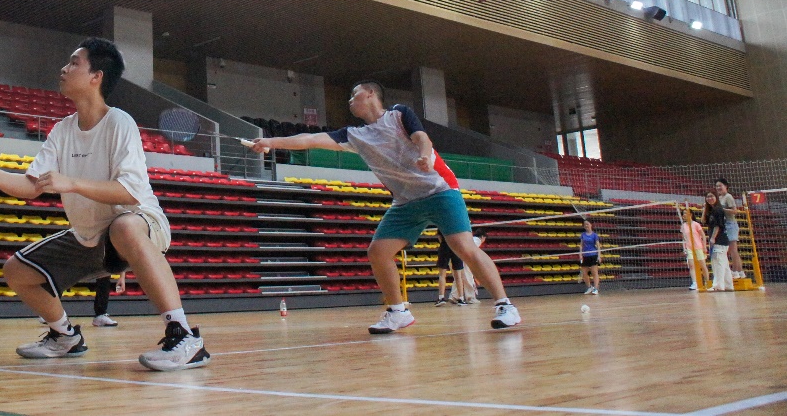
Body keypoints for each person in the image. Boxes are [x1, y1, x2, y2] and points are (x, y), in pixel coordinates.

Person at [0, 38, 210, 371]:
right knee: (16, 271)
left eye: (74, 63)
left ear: (96, 76)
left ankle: (184, 336)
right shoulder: (62, 130)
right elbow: (32, 186)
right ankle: (64, 336)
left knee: (124, 226)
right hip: (89, 236)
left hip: (141, 222)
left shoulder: (119, 123)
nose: (64, 69)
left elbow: (130, 192)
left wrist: (73, 183)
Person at [248, 80, 521, 333]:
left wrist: (425, 156)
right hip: (406, 202)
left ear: (370, 94)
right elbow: (310, 140)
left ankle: (505, 306)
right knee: (378, 252)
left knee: (464, 248)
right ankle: (398, 311)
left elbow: (422, 138)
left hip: (440, 190)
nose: (350, 101)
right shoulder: (354, 135)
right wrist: (271, 142)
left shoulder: (399, 114)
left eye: (354, 94)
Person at [702, 191, 733, 291]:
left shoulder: (718, 210)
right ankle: (728, 285)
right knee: (724, 263)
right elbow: (703, 221)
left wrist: (713, 238)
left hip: (719, 240)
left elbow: (718, 225)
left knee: (718, 263)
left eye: (711, 196)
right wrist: (704, 208)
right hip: (720, 241)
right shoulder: (711, 210)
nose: (709, 198)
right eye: (707, 197)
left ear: (716, 197)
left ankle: (718, 286)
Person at [715, 179, 744, 281]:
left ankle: (735, 271)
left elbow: (734, 211)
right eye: (717, 186)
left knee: (733, 250)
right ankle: (741, 272)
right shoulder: (719, 198)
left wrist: (722, 210)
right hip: (723, 225)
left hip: (730, 224)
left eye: (720, 185)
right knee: (730, 250)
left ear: (726, 186)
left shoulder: (728, 197)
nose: (718, 188)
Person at [433, 229, 464, 306]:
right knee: (458, 276)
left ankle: (441, 298)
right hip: (456, 247)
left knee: (442, 275)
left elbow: (439, 237)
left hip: (444, 246)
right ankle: (461, 299)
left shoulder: (441, 226)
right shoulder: (456, 225)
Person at [681, 206, 707, 290]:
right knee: (691, 266)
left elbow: (703, 235)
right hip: (689, 248)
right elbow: (684, 238)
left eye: (686, 213)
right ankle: (695, 283)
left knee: (702, 265)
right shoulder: (683, 226)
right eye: (683, 213)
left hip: (698, 247)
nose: (684, 215)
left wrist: (704, 247)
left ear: (691, 214)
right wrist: (684, 248)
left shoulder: (696, 224)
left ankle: (707, 281)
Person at [578, 219, 601, 295]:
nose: (586, 225)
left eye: (587, 224)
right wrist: (580, 254)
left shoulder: (594, 235)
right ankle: (589, 287)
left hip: (593, 255)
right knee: (584, 273)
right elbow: (581, 245)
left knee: (594, 272)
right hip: (585, 255)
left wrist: (599, 256)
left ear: (591, 225)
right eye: (585, 224)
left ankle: (596, 288)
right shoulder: (583, 235)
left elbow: (598, 246)